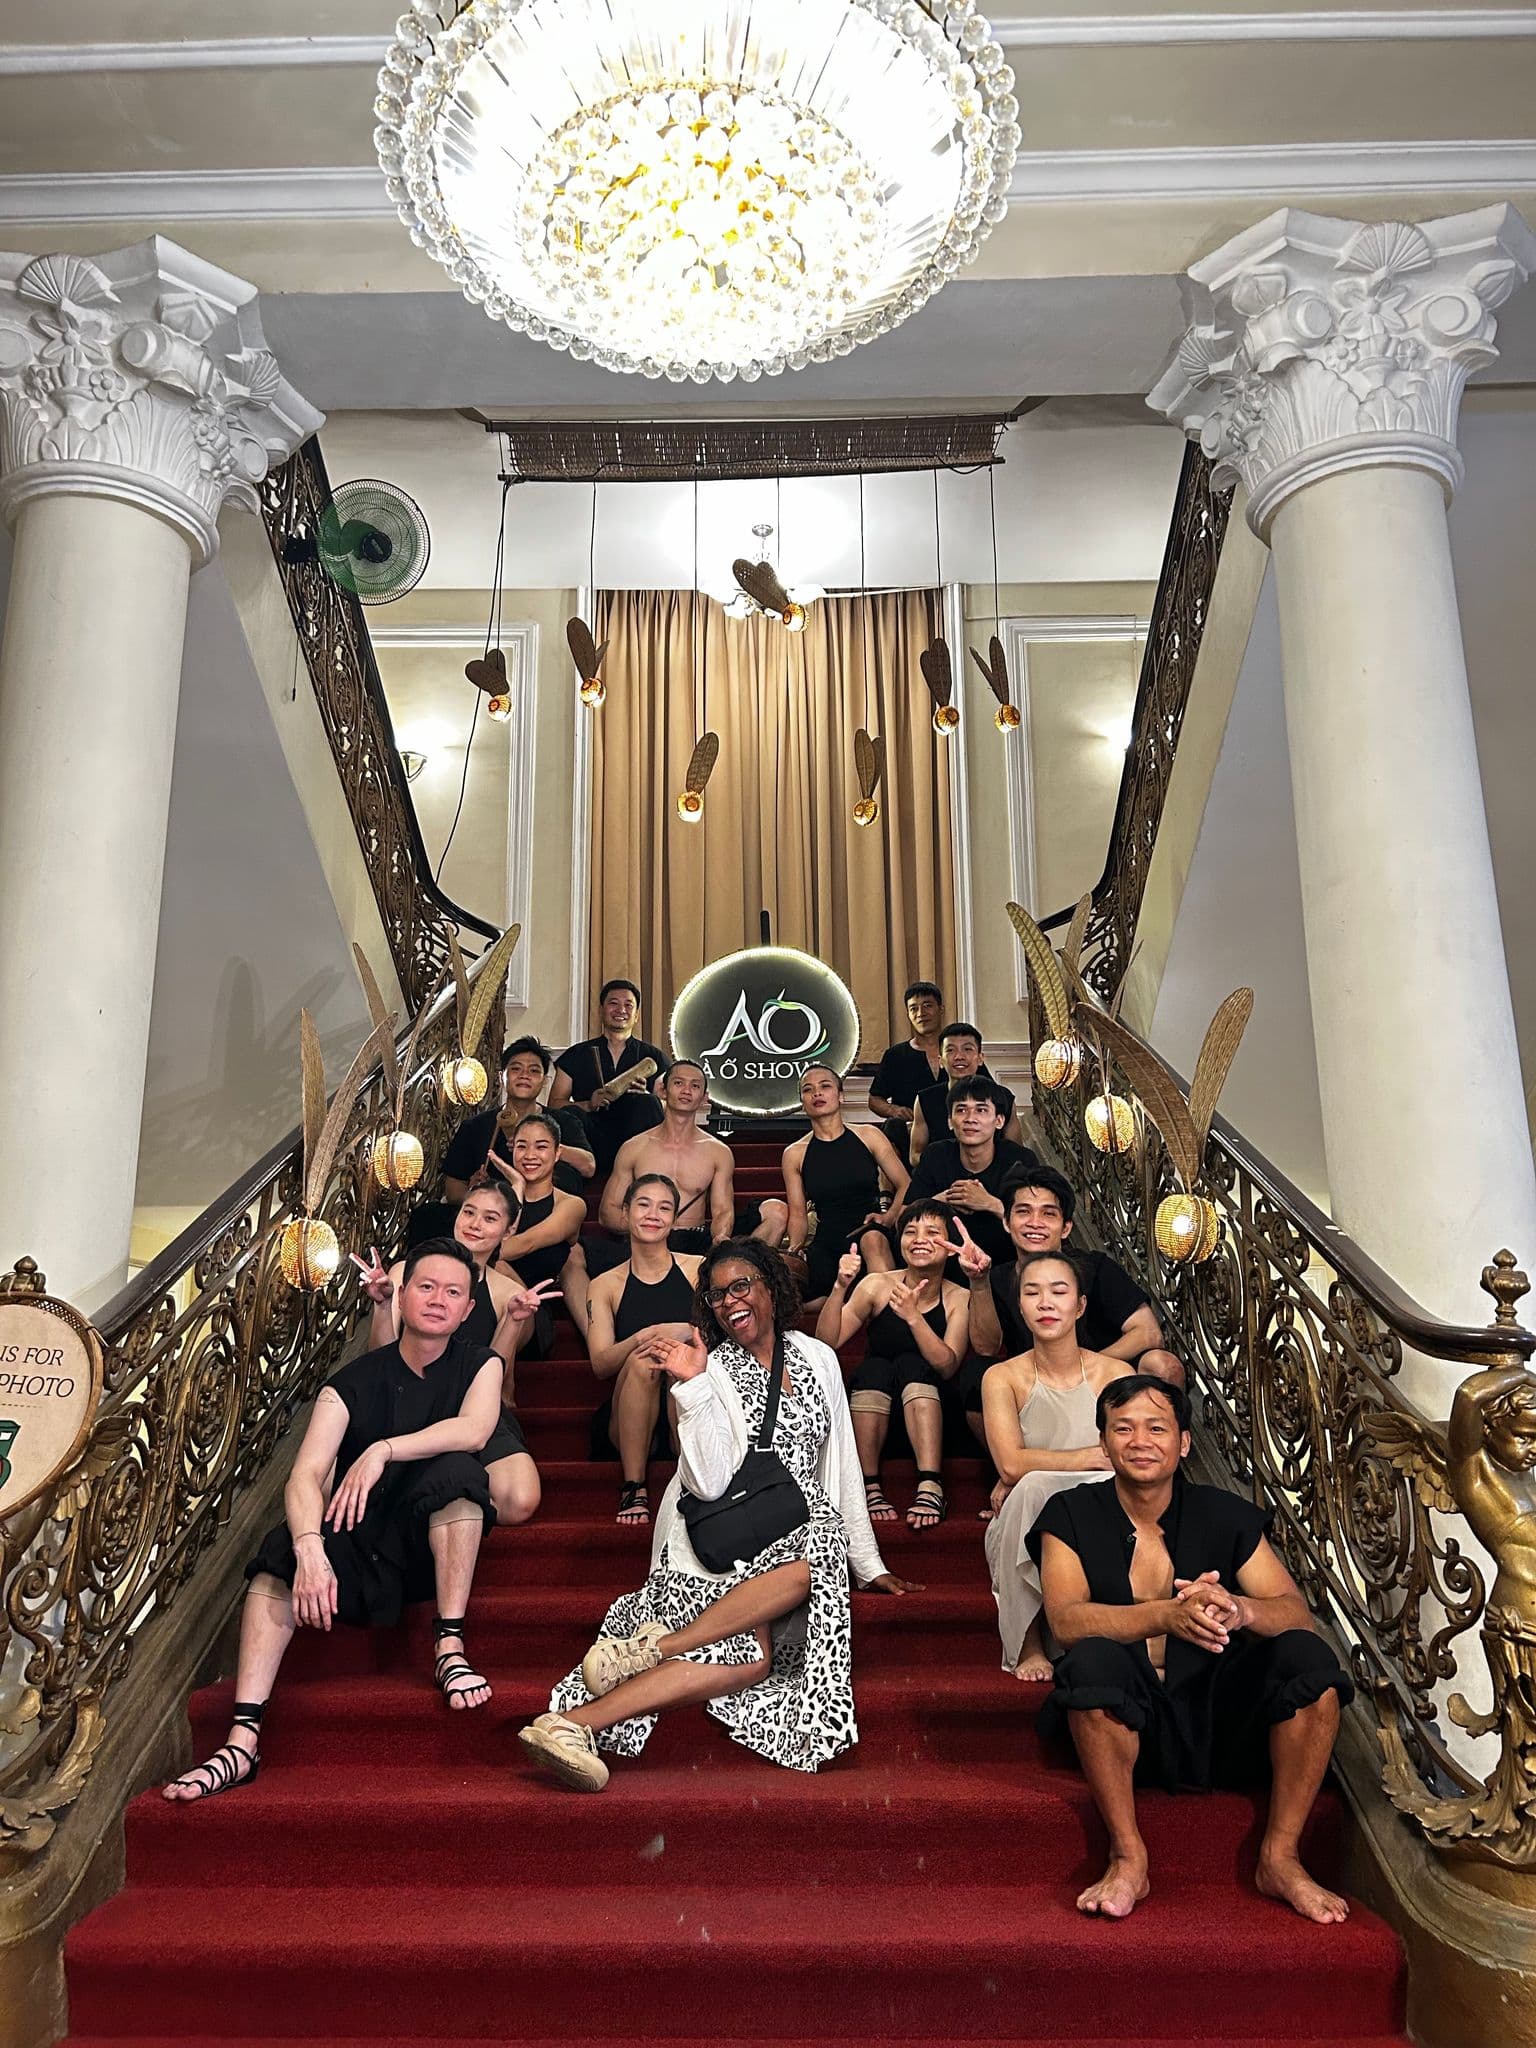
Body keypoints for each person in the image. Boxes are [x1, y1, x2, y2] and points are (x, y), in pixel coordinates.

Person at [519, 1240, 919, 1792]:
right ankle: (587, 1711)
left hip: (793, 1531)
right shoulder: (712, 1366)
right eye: (717, 1294)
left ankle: (585, 1710)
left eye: (741, 1286)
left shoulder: (819, 1357)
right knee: (762, 1638)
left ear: (770, 1287)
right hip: (718, 1531)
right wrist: (694, 1385)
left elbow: (841, 1461)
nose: (730, 1301)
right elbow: (707, 1482)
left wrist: (868, 1563)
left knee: (769, 1635)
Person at [162, 1240, 505, 1802]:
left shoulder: (480, 1364)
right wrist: (310, 1548)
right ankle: (241, 1742)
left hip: (430, 1545)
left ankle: (449, 1645)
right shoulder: (350, 1382)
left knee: (461, 1477)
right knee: (276, 1557)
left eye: (453, 1292)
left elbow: (473, 1431)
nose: (438, 1300)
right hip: (363, 1537)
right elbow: (304, 1476)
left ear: (468, 1309)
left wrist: (382, 1450)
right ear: (401, 1296)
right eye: (426, 1287)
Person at [1033, 1374, 1354, 1924]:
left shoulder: (1222, 1512)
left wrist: (1239, 1608)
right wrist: (1165, 1614)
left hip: (1218, 1717)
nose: (1140, 1441)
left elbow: (1294, 1611)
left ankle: (1280, 1857)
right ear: (1104, 1442)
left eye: (1156, 1428)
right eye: (1123, 1429)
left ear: (1184, 1442)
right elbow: (1066, 1621)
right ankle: (1128, 1856)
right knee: (1089, 1660)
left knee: (1309, 1660)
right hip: (1125, 1723)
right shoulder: (1069, 1514)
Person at [352, 1180, 549, 1530]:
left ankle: (449, 1491)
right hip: (406, 1396)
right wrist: (383, 1307)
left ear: (509, 1230)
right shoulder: (405, 1271)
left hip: (473, 1406)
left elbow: (498, 1379)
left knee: (520, 1499)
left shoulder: (508, 1291)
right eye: (469, 1212)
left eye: (490, 1218)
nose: (475, 1224)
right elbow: (380, 1358)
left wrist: (514, 1322)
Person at [981, 1251, 1131, 1678]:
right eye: (1032, 1293)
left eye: (1059, 1291)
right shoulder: (1002, 1377)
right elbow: (1011, 1465)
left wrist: (1035, 1468)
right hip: (1029, 1514)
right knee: (1030, 1489)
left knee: (1043, 1485)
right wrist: (1083, 1458)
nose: (1045, 1302)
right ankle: (1028, 1644)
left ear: (1080, 1305)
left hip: (1101, 1505)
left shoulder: (1115, 1373)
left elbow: (1126, 1457)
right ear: (1020, 1306)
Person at [958, 1166, 1184, 1439]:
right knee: (975, 1376)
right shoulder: (995, 1278)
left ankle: (1159, 1458)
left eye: (1048, 1214)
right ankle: (1016, 1459)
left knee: (1163, 1364)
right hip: (1036, 1384)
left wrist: (1084, 1370)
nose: (1035, 1222)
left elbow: (1148, 1333)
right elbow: (986, 1348)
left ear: (1066, 1228)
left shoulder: (1096, 1267)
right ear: (1007, 1222)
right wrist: (979, 1282)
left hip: (1107, 1379)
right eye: (1024, 1212)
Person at [815, 1200, 968, 1531]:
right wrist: (840, 1286)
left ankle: (931, 1483)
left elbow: (947, 1366)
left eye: (932, 1232)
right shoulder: (877, 1285)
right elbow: (827, 1342)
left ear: (951, 1247)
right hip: (874, 1413)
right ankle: (868, 1485)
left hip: (933, 1417)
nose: (919, 1239)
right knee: (875, 1368)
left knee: (913, 1365)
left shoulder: (959, 1297)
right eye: (911, 1231)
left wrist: (914, 1318)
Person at [579, 1058, 788, 1283]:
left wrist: (721, 1237)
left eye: (695, 1086)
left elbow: (722, 1210)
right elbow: (607, 1212)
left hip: (694, 1239)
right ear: (663, 1090)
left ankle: (741, 1282)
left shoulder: (718, 1151)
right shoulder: (634, 1147)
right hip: (643, 1240)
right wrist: (648, 1226)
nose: (687, 1091)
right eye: (679, 1083)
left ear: (705, 1098)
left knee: (775, 1211)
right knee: (575, 1253)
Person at [585, 1174, 703, 1526]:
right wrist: (644, 1336)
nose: (653, 1214)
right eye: (643, 1204)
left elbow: (723, 1337)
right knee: (645, 1360)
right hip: (628, 1417)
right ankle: (633, 1485)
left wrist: (682, 1332)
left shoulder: (697, 1269)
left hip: (686, 1403)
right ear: (625, 1212)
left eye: (664, 1208)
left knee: (675, 1359)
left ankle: (692, 1481)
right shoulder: (604, 1284)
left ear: (675, 1219)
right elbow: (600, 1364)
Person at [878, 1076, 1038, 1271]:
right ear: (950, 1121)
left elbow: (1037, 1226)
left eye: (981, 1110)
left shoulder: (1020, 1160)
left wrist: (990, 1203)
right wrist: (938, 1203)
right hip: (942, 1269)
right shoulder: (936, 1155)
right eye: (961, 1110)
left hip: (1006, 1267)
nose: (970, 1118)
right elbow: (902, 1221)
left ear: (999, 1121)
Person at [781, 1064, 910, 1307]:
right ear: (802, 1102)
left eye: (825, 1086)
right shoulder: (794, 1154)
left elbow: (905, 1184)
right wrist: (795, 1250)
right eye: (808, 1089)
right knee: (813, 1301)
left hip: (868, 1227)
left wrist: (889, 1217)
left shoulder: (869, 1135)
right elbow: (798, 1214)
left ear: (840, 1096)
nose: (817, 1093)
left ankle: (890, 1313)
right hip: (827, 1237)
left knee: (873, 1241)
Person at [441, 1036, 596, 1205]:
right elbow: (453, 1188)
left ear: (545, 1081)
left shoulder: (564, 1121)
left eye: (534, 1071)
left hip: (549, 1213)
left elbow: (588, 1167)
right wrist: (474, 1195)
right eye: (516, 1069)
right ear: (501, 1077)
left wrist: (544, 1147)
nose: (524, 1075)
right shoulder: (474, 1127)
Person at [549, 978, 666, 1175]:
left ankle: (643, 1175)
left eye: (628, 1005)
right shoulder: (576, 1054)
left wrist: (647, 1095)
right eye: (613, 1003)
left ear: (636, 1015)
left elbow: (668, 1106)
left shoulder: (653, 1057)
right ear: (601, 1010)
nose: (621, 1010)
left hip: (635, 1141)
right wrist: (588, 1104)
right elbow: (554, 1104)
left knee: (650, 1103)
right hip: (592, 1141)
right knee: (571, 1113)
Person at [494, 1113, 586, 1358]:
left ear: (557, 1153)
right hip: (485, 1299)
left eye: (541, 1147)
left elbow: (524, 1244)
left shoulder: (571, 1205)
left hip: (531, 1311)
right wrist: (517, 1187)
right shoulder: (494, 1198)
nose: (530, 1155)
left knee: (496, 1266)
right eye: (522, 1146)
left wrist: (518, 1188)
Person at [909, 1021, 1024, 1164]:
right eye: (950, 1050)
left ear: (980, 1058)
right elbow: (915, 1155)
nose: (959, 1056)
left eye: (967, 1049)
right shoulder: (925, 1100)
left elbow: (1017, 1155)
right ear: (940, 1061)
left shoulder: (1004, 1098)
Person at [867, 980, 945, 1161]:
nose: (921, 1013)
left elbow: (986, 1089)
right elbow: (874, 1099)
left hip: (955, 1133)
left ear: (941, 1009)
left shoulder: (958, 1052)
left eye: (927, 1006)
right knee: (893, 1128)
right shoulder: (895, 1055)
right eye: (913, 1008)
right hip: (909, 1135)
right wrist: (893, 1110)